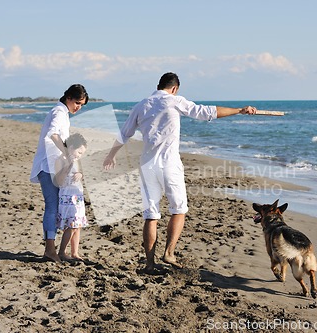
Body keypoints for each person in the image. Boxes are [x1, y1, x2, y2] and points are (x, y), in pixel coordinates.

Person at [103, 72, 257, 273]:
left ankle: (150, 264)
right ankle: (169, 252)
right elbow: (207, 112)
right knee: (178, 210)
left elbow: (124, 134)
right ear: (174, 88)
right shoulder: (175, 101)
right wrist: (239, 110)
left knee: (151, 215)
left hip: (147, 165)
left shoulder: (141, 105)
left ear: (159, 85)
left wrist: (111, 155)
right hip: (169, 165)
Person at [30, 84, 89, 263]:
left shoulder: (63, 113)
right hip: (47, 167)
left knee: (57, 208)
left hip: (54, 167)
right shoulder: (59, 112)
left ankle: (57, 250)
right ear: (69, 98)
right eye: (77, 103)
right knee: (52, 207)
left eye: (82, 105)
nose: (78, 107)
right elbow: (53, 134)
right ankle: (50, 249)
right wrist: (66, 152)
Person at [54, 133, 88, 261]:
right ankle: (62, 252)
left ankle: (75, 253)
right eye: (79, 152)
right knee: (71, 225)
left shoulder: (77, 161)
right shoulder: (60, 160)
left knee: (77, 225)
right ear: (71, 147)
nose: (80, 155)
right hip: (67, 196)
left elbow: (80, 173)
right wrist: (66, 168)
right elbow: (59, 181)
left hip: (77, 196)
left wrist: (80, 174)